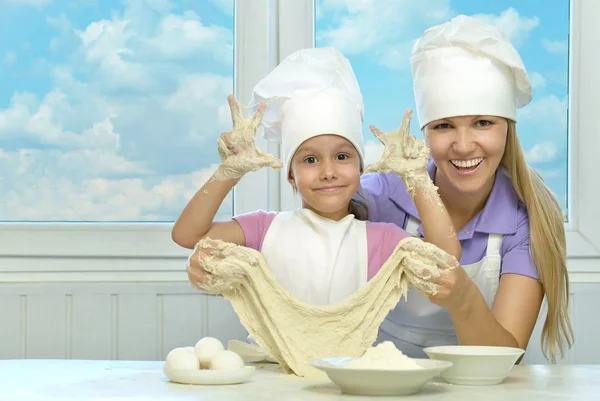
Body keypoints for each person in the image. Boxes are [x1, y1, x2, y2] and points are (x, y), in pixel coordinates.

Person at [172, 47, 461, 308]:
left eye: (342, 156)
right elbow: (187, 235)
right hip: (273, 367)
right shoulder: (265, 230)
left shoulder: (380, 239)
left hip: (350, 367)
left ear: (361, 169)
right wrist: (229, 172)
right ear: (291, 176)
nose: (328, 171)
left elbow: (445, 261)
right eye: (310, 159)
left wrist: (418, 179)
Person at [362, 15, 573, 362]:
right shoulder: (383, 195)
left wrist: (462, 297)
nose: (463, 146)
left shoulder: (528, 218)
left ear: (508, 127)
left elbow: (507, 357)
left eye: (482, 123)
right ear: (426, 132)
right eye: (444, 125)